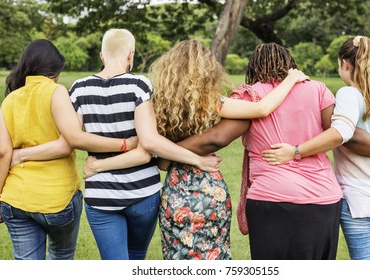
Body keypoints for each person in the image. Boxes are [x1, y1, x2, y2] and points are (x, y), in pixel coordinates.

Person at [83, 39, 310, 260]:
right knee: (214, 257)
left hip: (175, 192)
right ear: (207, 69)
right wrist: (291, 79)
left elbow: (158, 157)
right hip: (210, 189)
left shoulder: (158, 104)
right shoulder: (210, 101)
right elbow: (261, 108)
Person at [6, 30, 222, 260]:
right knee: (136, 256)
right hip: (143, 194)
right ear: (131, 54)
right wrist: (197, 159)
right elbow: (149, 142)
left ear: (101, 55)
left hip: (101, 197)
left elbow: (72, 137)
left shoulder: (79, 89)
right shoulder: (139, 85)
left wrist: (97, 166)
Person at [261, 36, 370, 260]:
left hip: (361, 202)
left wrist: (295, 151)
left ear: (344, 64)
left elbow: (342, 133)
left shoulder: (349, 94)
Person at [0, 39, 83, 260]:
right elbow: (68, 141)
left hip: (15, 199)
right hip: (57, 199)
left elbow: (3, 153)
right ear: (54, 70)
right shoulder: (57, 92)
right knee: (61, 257)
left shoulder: (10, 100)